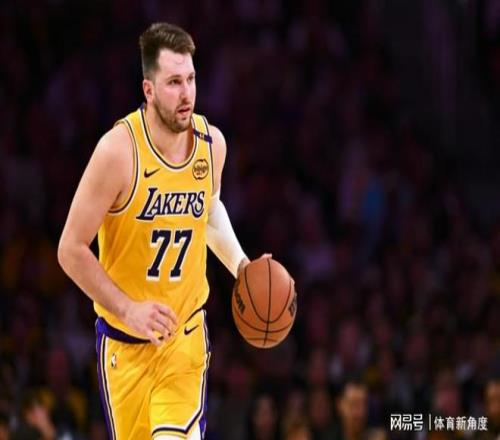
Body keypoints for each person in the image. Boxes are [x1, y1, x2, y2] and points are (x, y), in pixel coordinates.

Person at [58, 22, 262, 439]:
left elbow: (208, 211)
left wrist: (242, 266)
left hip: (184, 338)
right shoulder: (117, 152)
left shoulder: (212, 145)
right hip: (124, 345)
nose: (186, 94)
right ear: (148, 90)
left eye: (191, 79)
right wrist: (128, 309)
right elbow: (70, 249)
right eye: (173, 82)